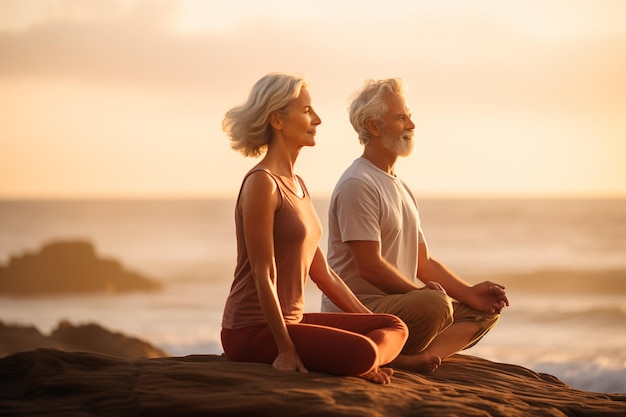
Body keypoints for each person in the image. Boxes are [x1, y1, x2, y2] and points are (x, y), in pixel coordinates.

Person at [220, 73, 409, 385]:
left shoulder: (299, 185)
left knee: (395, 326)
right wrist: (286, 349)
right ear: (277, 121)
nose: (317, 119)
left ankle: (368, 357)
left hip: (292, 321)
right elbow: (262, 273)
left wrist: (368, 320)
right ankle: (365, 358)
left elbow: (324, 274)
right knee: (363, 350)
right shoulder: (262, 184)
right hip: (252, 329)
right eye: (306, 111)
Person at [321, 78, 509, 373]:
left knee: (483, 310)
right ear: (373, 127)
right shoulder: (358, 183)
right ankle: (402, 354)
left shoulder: (401, 186)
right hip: (362, 312)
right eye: (400, 117)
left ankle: (424, 358)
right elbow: (368, 266)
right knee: (434, 305)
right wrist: (419, 295)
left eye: (409, 116)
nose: (411, 124)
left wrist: (469, 293)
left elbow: (422, 262)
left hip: (401, 307)